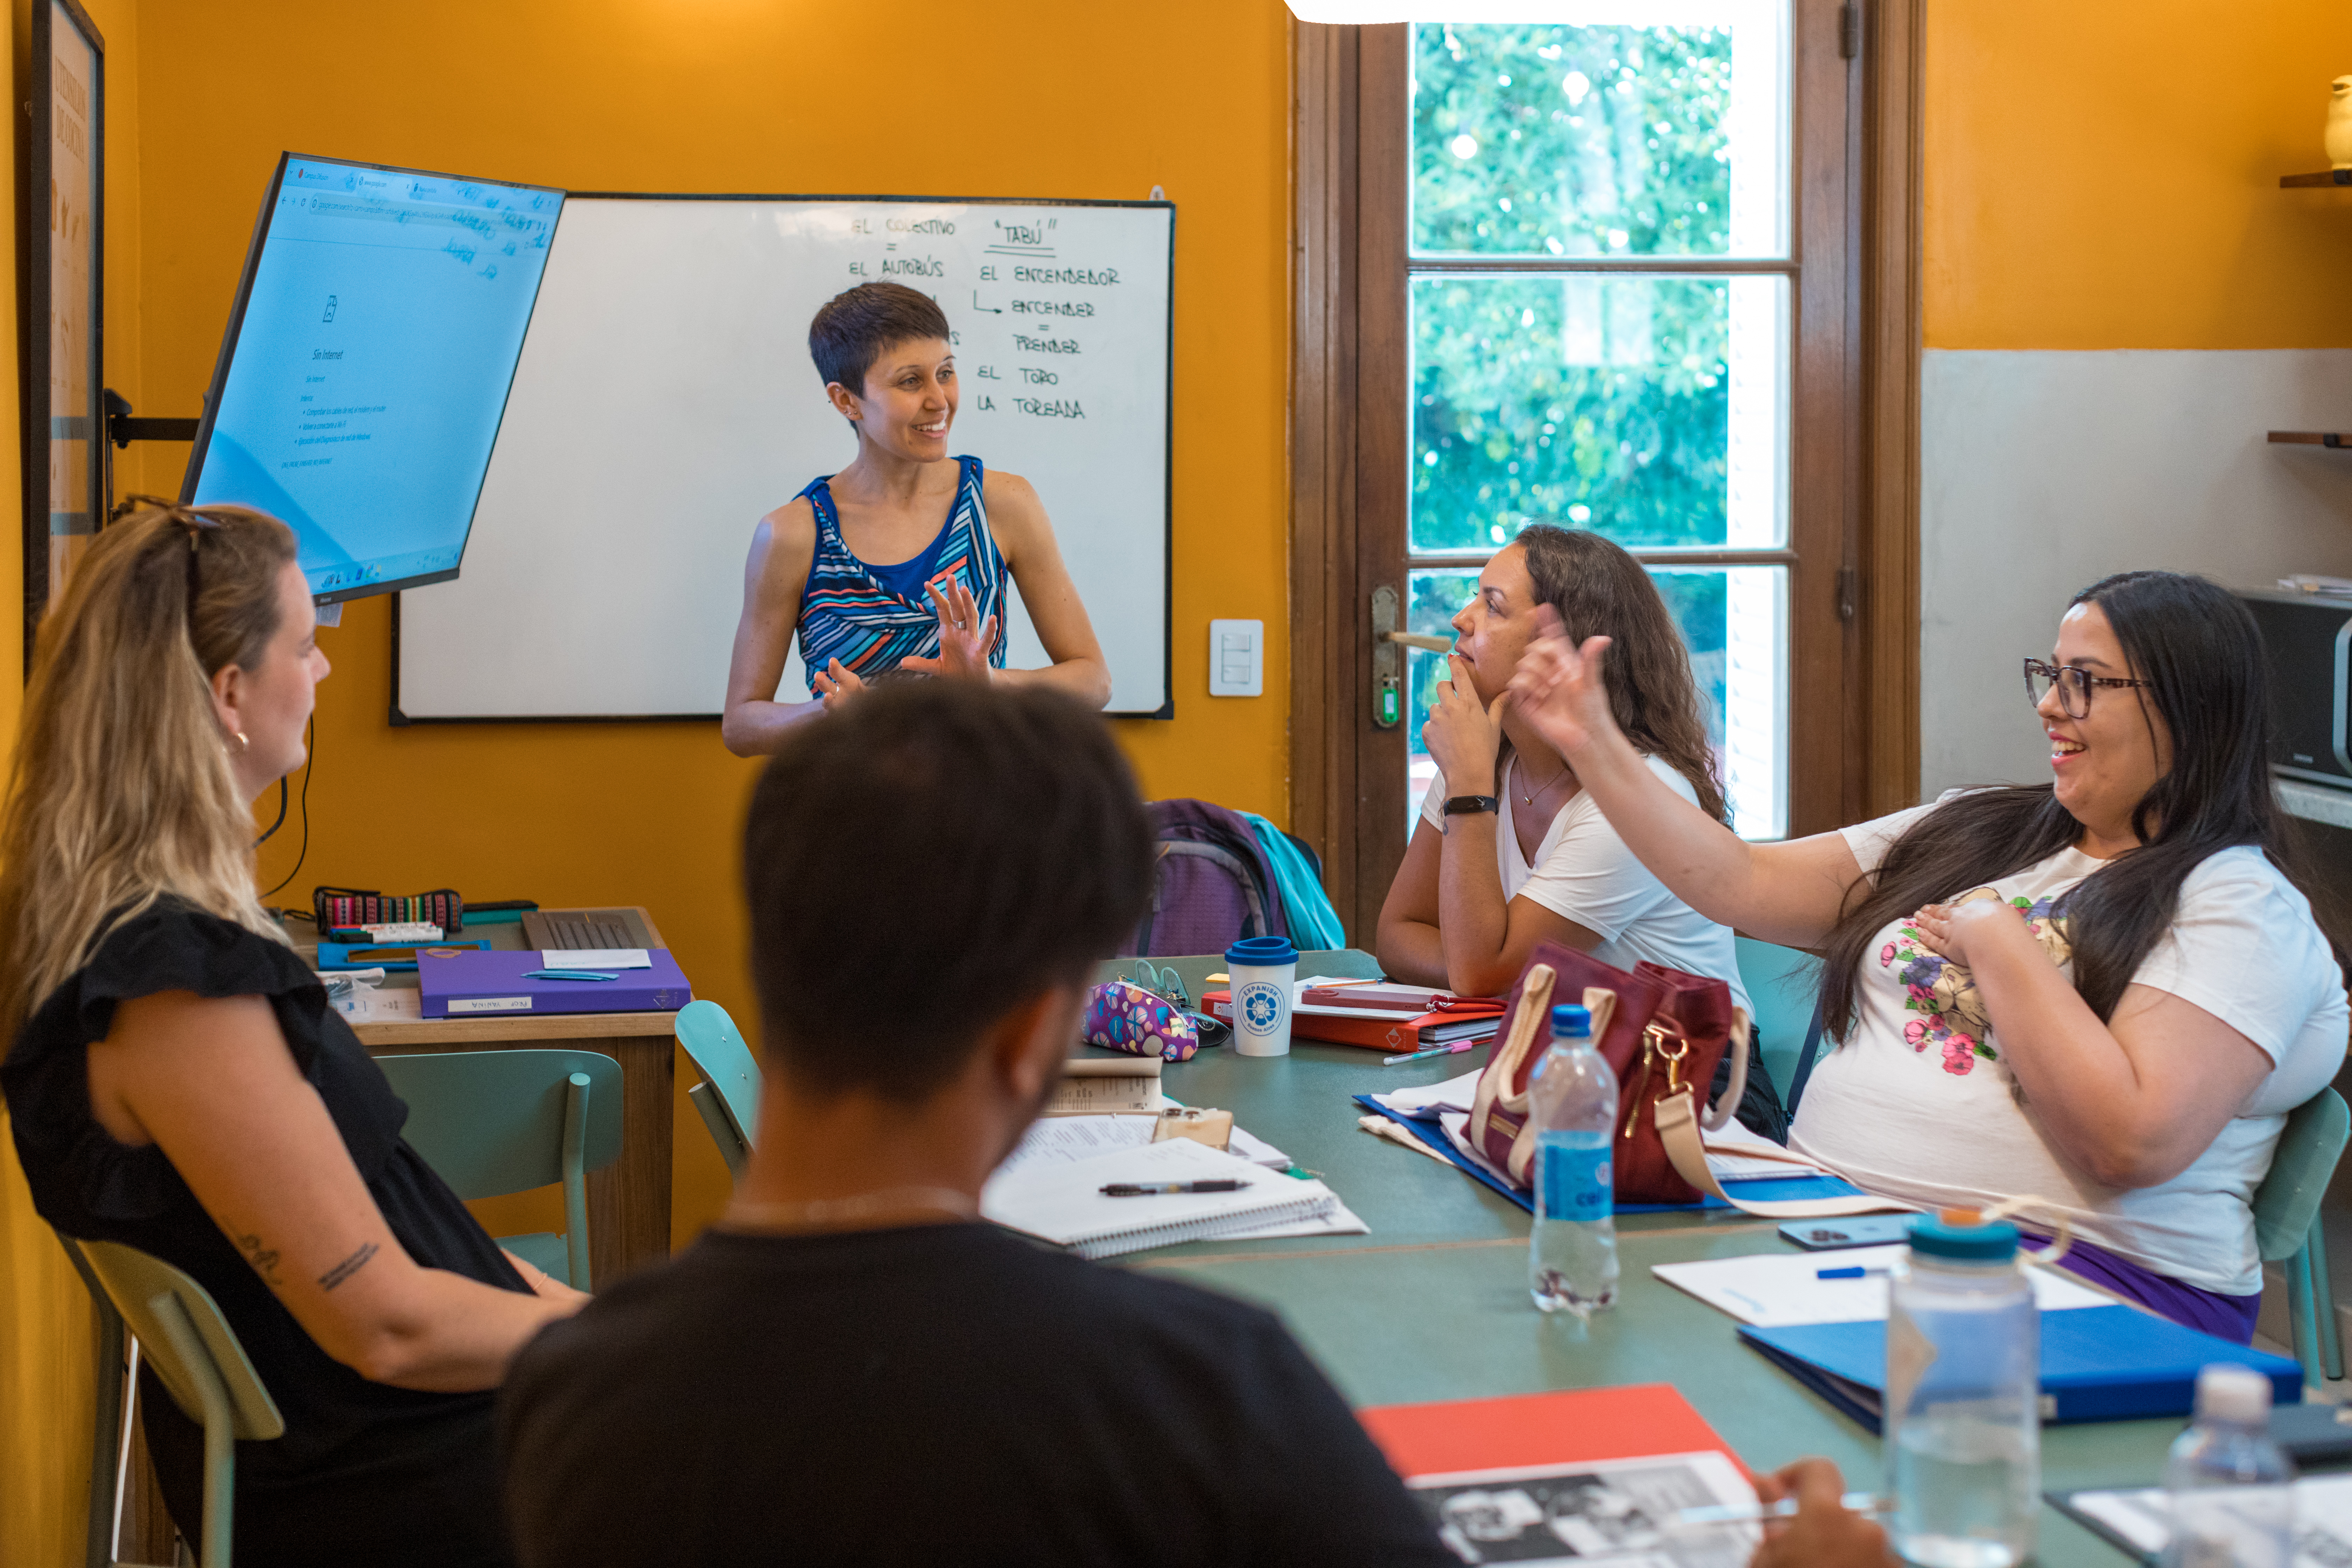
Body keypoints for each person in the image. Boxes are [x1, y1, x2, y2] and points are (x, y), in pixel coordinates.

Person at [1508, 569, 2350, 1340]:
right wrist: (1595, 743)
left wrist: (1994, 939)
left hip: (2080, 1286)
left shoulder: (2240, 906)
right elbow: (1740, 881)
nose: (2051, 705)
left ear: (2188, 709)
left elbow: (2127, 1143)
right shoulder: (1979, 826)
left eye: (2085, 681)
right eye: (2050, 675)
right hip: (1833, 1230)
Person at [0, 504, 585, 1568]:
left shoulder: (172, 947)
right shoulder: (174, 989)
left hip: (446, 1428)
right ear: (229, 693)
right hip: (409, 1478)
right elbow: (386, 1326)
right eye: (306, 645)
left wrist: (620, 1322)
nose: (320, 673)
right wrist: (641, 1346)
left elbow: (419, 1243)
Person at [1377, 525, 1785, 1138]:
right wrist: (1503, 978)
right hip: (1567, 1054)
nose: (1461, 620)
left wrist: (1496, 973)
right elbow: (1398, 935)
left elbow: (1477, 971)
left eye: (1492, 605)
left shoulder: (1634, 798)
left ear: (1560, 646)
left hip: (1690, 1086)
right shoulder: (1483, 759)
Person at [720, 281, 1111, 754]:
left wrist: (990, 683)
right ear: (846, 401)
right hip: (854, 811)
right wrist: (828, 713)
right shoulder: (792, 534)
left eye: (945, 373)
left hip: (989, 809)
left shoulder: (1003, 504)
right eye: (910, 381)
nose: (939, 400)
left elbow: (1093, 680)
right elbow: (741, 725)